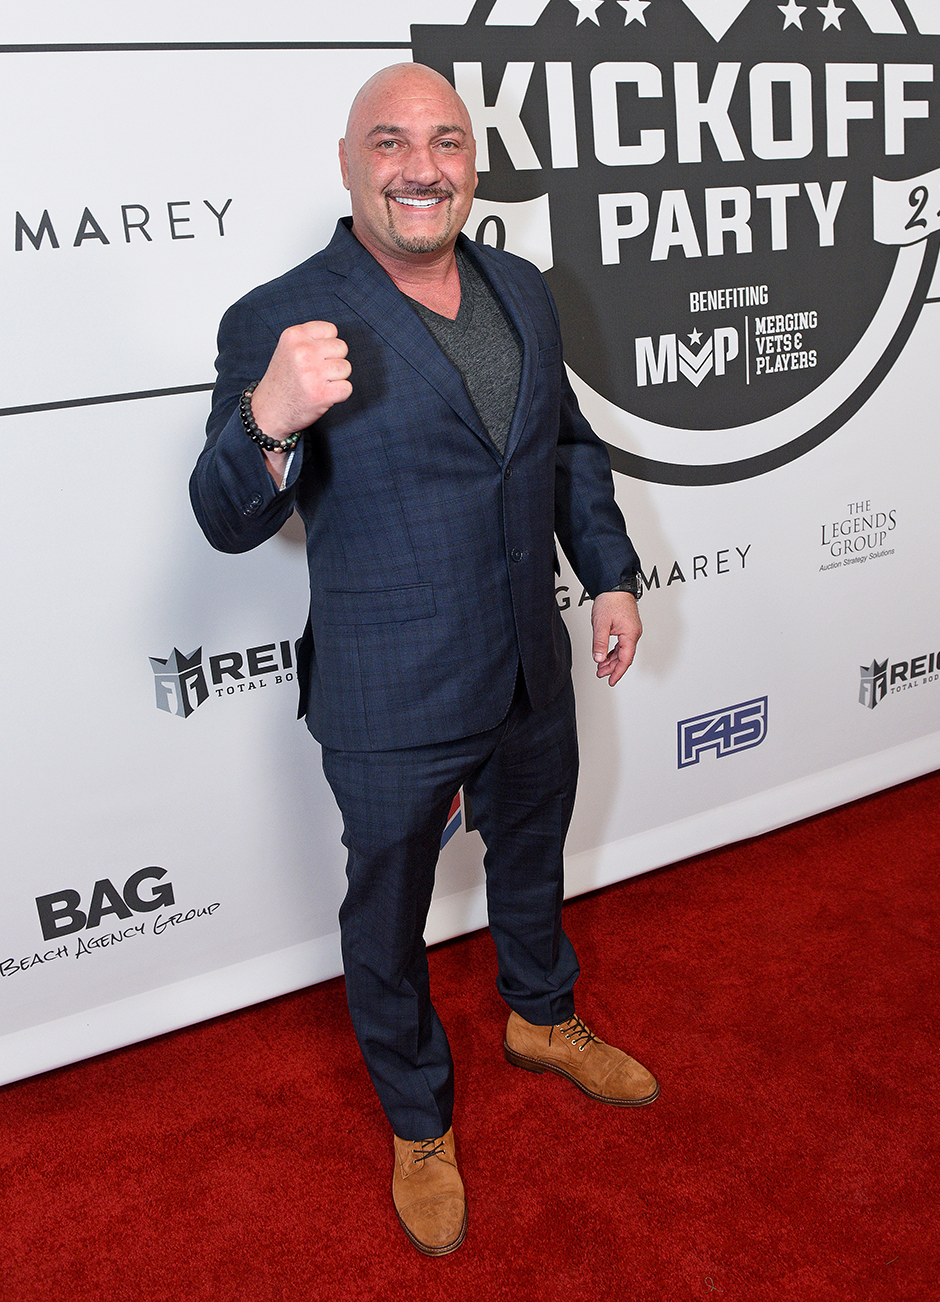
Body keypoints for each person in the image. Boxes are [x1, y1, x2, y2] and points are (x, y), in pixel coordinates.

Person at [190, 63, 657, 1257]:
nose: (421, 167)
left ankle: (540, 1016)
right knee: (387, 914)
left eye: (446, 142)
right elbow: (224, 515)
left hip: (525, 663)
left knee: (533, 851)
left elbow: (562, 446)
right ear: (347, 164)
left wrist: (606, 569)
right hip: (390, 686)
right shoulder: (282, 314)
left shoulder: (521, 285)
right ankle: (417, 1119)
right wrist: (268, 418)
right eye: (391, 142)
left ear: (473, 164)